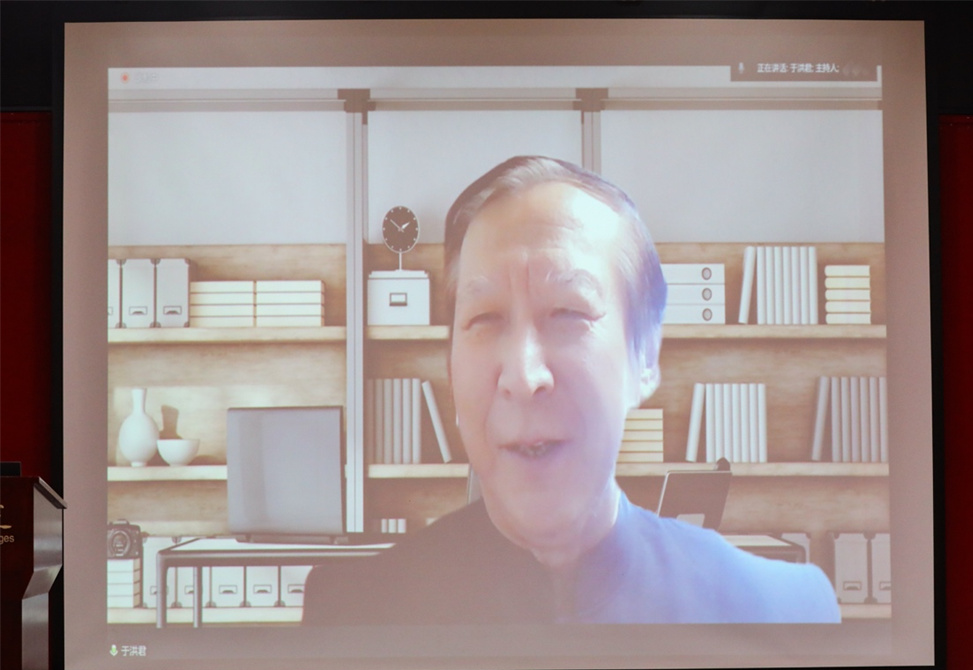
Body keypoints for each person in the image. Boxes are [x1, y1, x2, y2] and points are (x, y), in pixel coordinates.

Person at [304, 156, 840, 624]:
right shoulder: (354, 615)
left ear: (645, 357)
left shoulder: (782, 612)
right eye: (485, 318)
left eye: (567, 313)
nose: (523, 376)